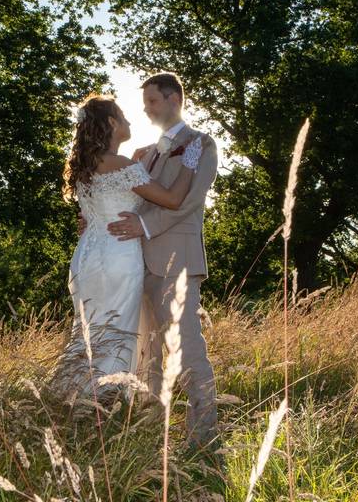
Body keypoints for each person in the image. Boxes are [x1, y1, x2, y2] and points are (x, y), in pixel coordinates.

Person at [51, 93, 203, 405]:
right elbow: (172, 200)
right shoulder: (121, 165)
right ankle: (100, 403)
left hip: (87, 257)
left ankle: (69, 398)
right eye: (123, 116)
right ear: (111, 123)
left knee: (89, 330)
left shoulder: (86, 165)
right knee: (115, 331)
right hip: (118, 256)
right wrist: (189, 163)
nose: (131, 120)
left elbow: (93, 214)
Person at [106, 72, 221, 454]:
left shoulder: (200, 144)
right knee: (150, 354)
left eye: (152, 101)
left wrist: (141, 224)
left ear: (174, 99)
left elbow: (189, 201)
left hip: (177, 261)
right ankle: (153, 433)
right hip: (140, 263)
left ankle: (204, 436)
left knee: (187, 348)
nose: (146, 109)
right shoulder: (148, 152)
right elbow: (139, 198)